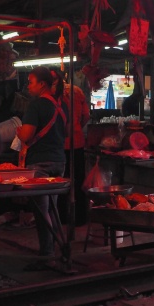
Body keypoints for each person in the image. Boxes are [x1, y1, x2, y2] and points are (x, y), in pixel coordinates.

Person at [16, 67, 67, 259]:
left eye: (31, 82)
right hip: (59, 161)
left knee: (41, 210)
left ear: (42, 84)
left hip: (39, 164)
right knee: (53, 208)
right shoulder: (63, 107)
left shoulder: (36, 106)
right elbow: (67, 132)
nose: (28, 86)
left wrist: (20, 133)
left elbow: (27, 136)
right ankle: (59, 248)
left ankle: (47, 253)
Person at [55, 70, 90, 225]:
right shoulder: (77, 91)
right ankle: (81, 217)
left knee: (61, 181)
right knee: (78, 180)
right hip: (77, 142)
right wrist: (77, 127)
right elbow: (86, 116)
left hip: (60, 144)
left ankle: (62, 217)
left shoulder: (52, 94)